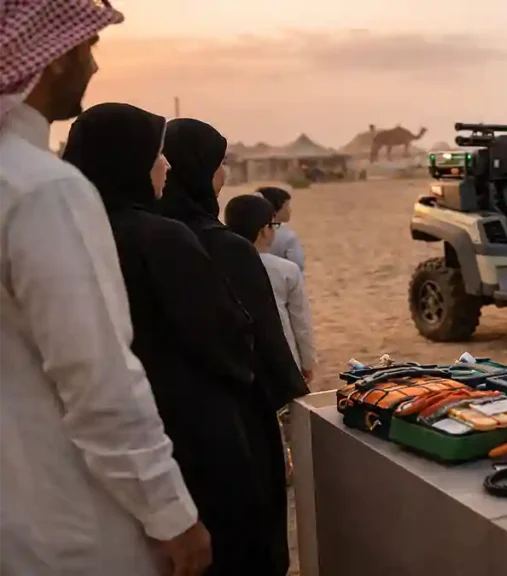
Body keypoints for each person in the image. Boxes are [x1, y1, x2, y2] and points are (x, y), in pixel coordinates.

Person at [0, 2, 210, 575]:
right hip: (62, 531)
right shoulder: (43, 191)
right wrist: (173, 515)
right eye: (85, 49)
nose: (93, 66)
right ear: (55, 58)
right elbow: (98, 381)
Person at [62, 101, 291, 575]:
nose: (164, 164)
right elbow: (226, 341)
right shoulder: (161, 238)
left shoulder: (74, 232)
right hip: (192, 435)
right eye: (154, 154)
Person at [158, 117, 309, 576]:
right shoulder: (223, 248)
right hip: (229, 427)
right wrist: (292, 399)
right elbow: (263, 343)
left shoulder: (136, 234)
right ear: (202, 169)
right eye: (220, 163)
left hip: (161, 429)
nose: (224, 173)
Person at [225, 194, 318, 383]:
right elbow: (301, 325)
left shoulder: (221, 264)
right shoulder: (286, 270)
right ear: (264, 231)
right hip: (283, 362)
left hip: (239, 365)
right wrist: (307, 363)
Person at [257, 185, 307, 272]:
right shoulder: (288, 237)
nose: (289, 210)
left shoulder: (249, 229)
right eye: (286, 206)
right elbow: (298, 266)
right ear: (275, 210)